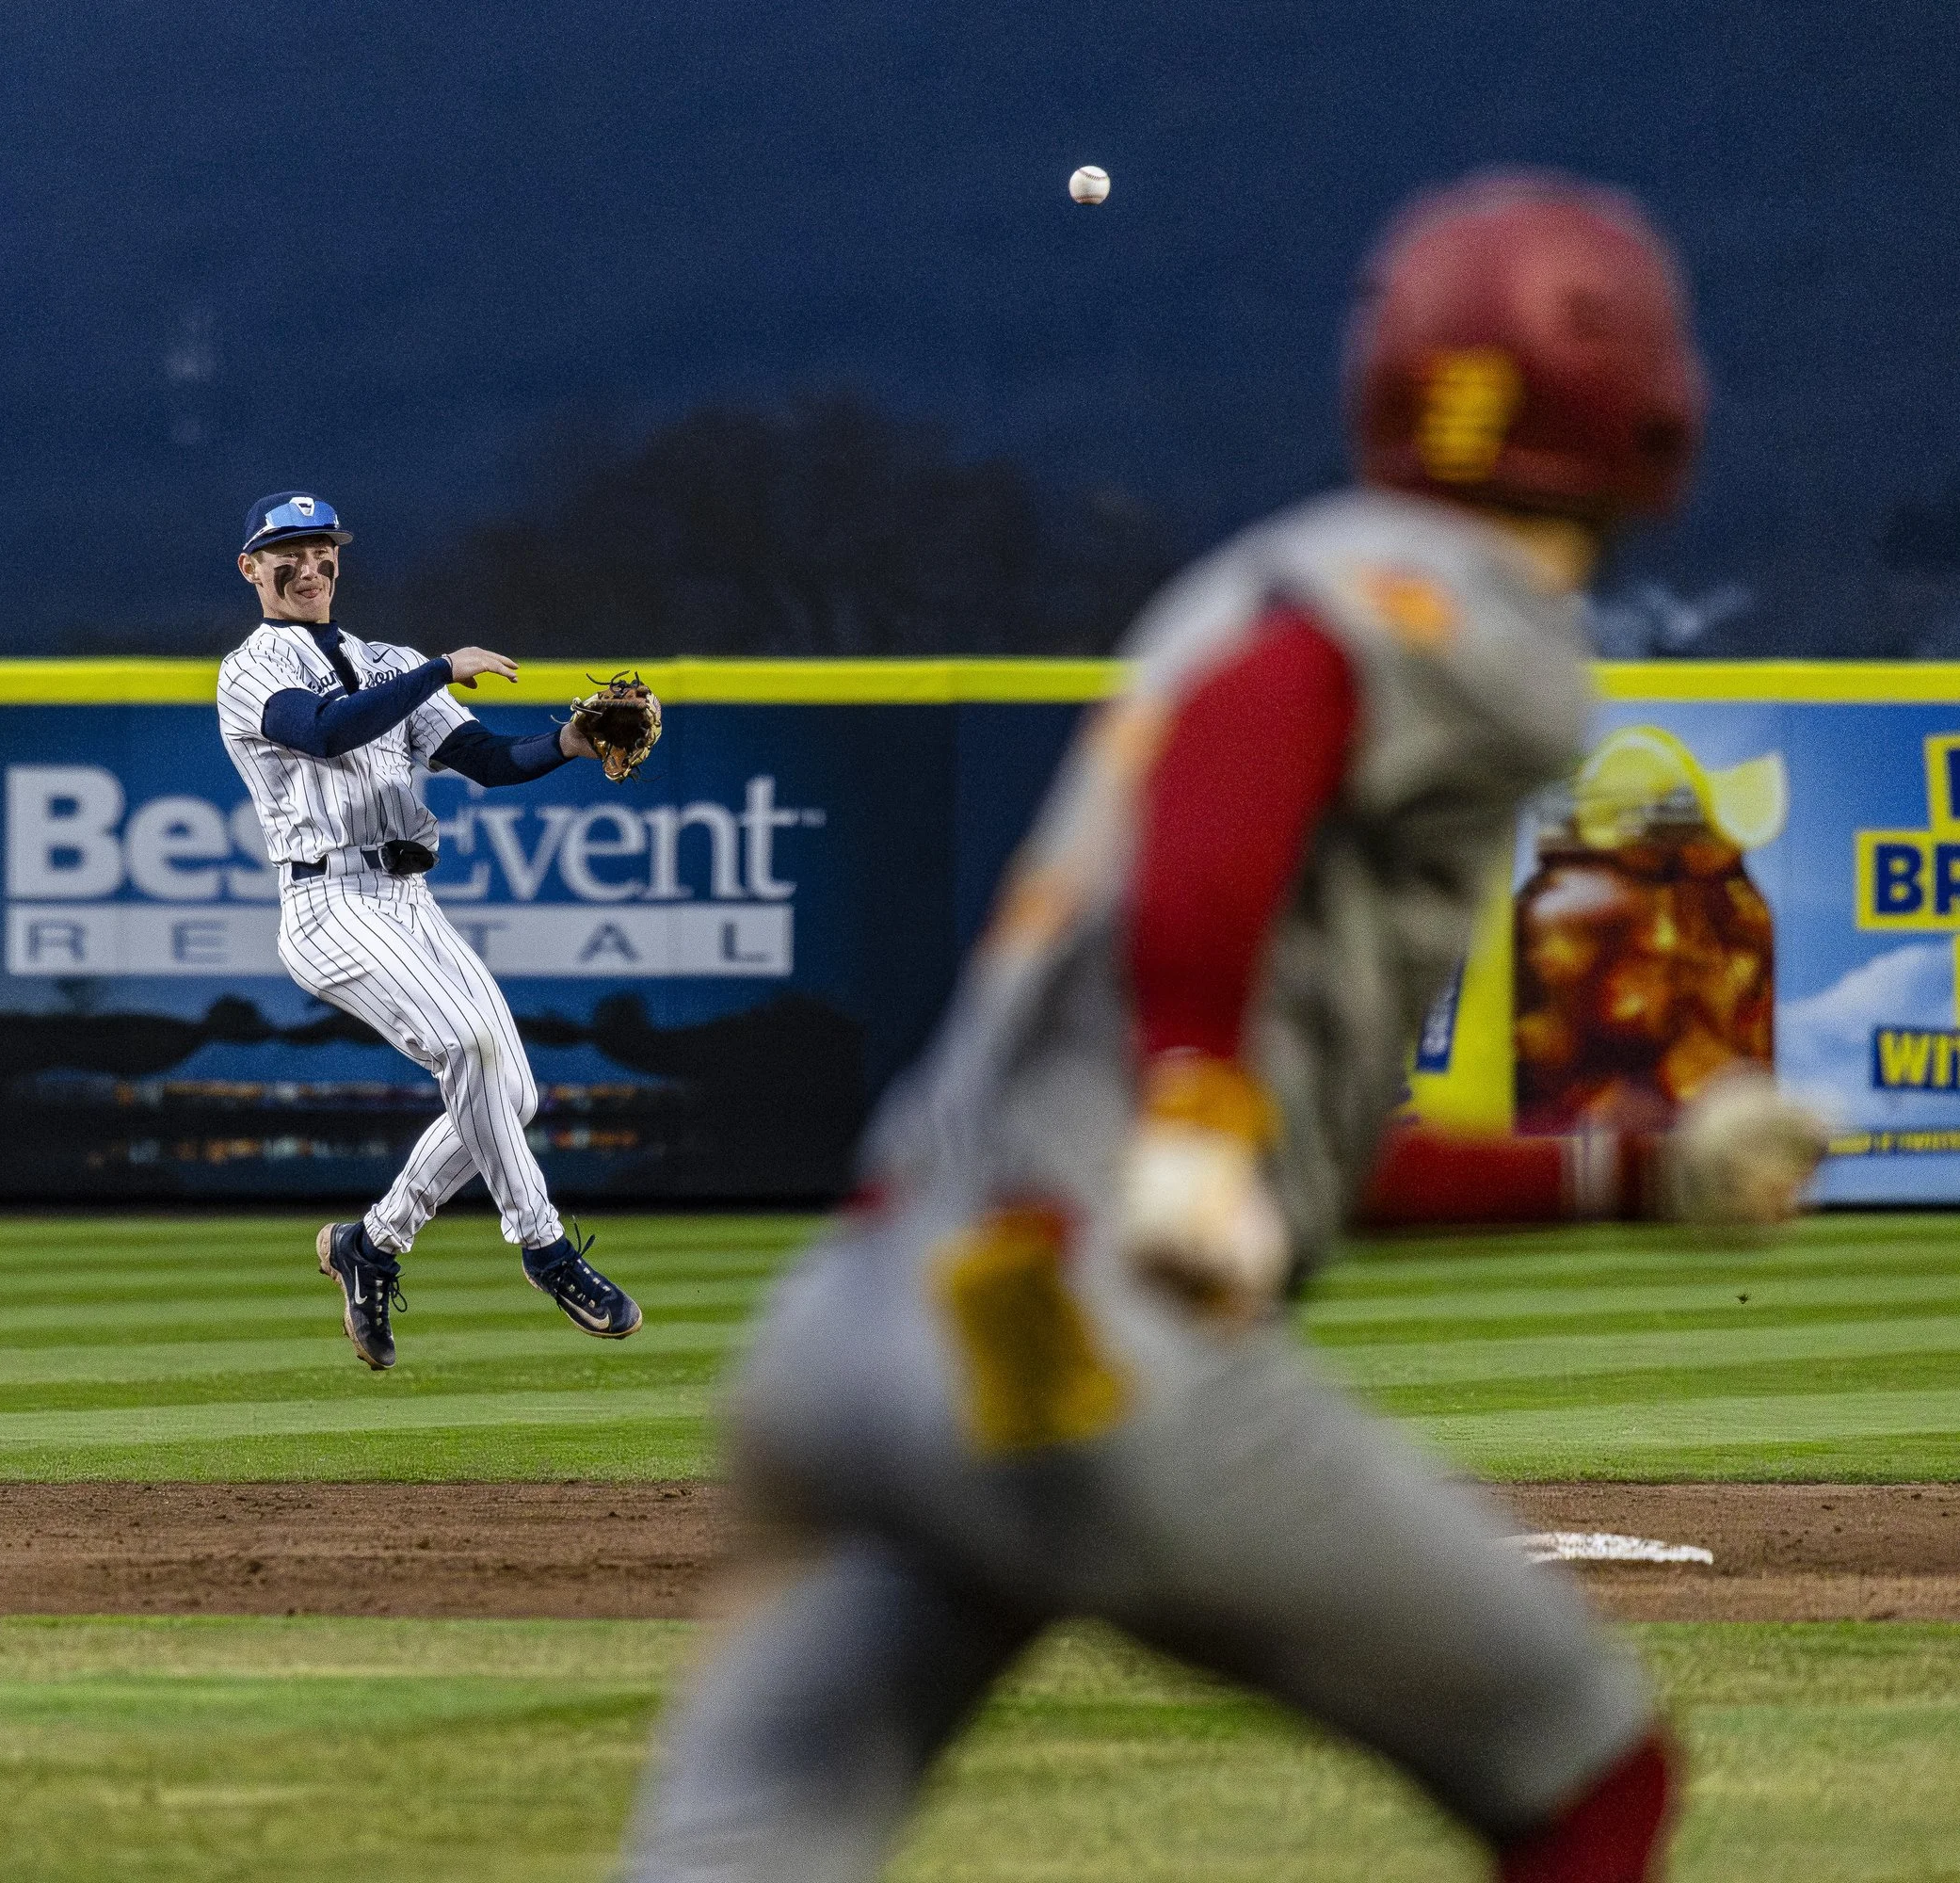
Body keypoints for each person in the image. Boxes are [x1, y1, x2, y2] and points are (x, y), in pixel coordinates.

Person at [619, 172, 1824, 1882]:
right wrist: (1193, 1101)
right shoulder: (1470, 609)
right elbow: (1256, 741)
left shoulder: (1266, 568)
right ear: (1643, 415)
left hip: (880, 1321)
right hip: (1062, 1336)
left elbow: (1300, 1166)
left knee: (749, 1850)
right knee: (1587, 1770)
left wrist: (1641, 1178)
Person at [216, 490, 643, 1370]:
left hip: (410, 903)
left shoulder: (388, 660)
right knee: (470, 1052)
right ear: (251, 568)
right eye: (284, 551)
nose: (307, 565)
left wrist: (566, 739)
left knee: (507, 1097)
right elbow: (326, 732)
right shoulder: (251, 666)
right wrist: (440, 668)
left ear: (339, 559)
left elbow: (488, 761)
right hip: (327, 905)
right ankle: (547, 1249)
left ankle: (371, 1244)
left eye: (321, 548)